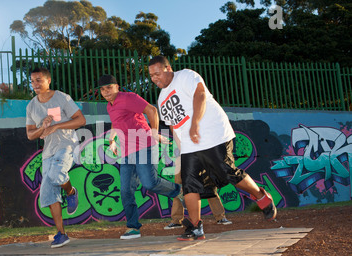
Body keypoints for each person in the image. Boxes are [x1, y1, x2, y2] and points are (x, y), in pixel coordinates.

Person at [148, 56, 277, 241]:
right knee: (189, 183)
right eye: (151, 76)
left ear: (168, 68)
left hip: (214, 134)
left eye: (157, 73)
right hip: (189, 145)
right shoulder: (161, 100)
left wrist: (195, 124)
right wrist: (180, 148)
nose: (154, 78)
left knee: (227, 172)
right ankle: (195, 227)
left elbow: (200, 95)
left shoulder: (185, 76)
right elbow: (173, 126)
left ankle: (261, 196)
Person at [98, 74, 182, 240]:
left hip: (145, 145)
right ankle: (133, 227)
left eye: (109, 87)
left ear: (117, 87)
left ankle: (180, 191)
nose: (106, 92)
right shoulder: (110, 106)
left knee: (150, 183)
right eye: (102, 89)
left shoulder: (129, 98)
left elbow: (151, 110)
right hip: (127, 152)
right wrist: (112, 140)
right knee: (125, 190)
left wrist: (154, 132)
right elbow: (116, 122)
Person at [26, 67, 86, 248]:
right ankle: (61, 234)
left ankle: (70, 192)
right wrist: (42, 128)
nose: (35, 84)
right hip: (48, 152)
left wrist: (57, 127)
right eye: (33, 81)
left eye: (39, 80)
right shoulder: (31, 106)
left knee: (57, 174)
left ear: (48, 80)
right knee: (49, 193)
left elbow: (81, 120)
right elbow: (30, 135)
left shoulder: (62, 97)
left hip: (66, 145)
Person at [165, 155, 232, 230]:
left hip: (202, 155)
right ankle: (176, 221)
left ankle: (221, 217)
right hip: (182, 157)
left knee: (209, 187)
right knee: (179, 189)